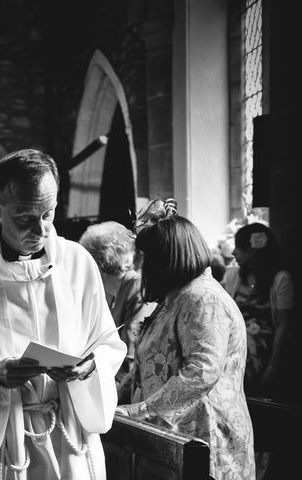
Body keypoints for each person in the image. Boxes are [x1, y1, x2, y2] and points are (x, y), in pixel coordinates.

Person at [0, 148, 126, 479]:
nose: (41, 229)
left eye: (49, 214)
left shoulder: (78, 264)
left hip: (73, 437)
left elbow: (107, 343)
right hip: (8, 444)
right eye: (25, 218)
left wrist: (89, 366)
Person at [115, 199, 255, 480]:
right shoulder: (177, 296)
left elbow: (202, 371)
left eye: (148, 260)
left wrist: (141, 410)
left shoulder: (203, 297)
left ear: (167, 258)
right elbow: (148, 363)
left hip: (206, 440)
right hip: (175, 438)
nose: (143, 269)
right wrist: (113, 399)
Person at [78, 221, 157, 400]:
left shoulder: (137, 289)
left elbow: (131, 357)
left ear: (97, 264)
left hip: (129, 390)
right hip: (109, 379)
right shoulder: (107, 291)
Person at [223, 222, 293, 399]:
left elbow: (283, 327)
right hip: (234, 356)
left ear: (252, 250)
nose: (233, 253)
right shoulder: (233, 277)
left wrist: (273, 367)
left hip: (264, 357)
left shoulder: (281, 279)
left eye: (238, 247)